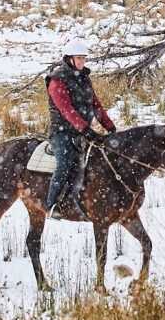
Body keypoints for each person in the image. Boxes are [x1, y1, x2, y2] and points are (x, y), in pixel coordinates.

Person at [44, 39, 116, 214]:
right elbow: (66, 110)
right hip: (62, 133)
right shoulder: (57, 81)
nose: (82, 62)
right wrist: (85, 129)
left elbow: (95, 105)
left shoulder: (84, 78)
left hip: (82, 132)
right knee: (65, 163)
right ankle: (51, 205)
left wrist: (110, 127)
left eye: (84, 58)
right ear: (69, 59)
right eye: (79, 58)